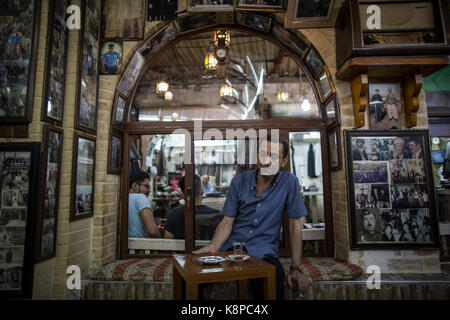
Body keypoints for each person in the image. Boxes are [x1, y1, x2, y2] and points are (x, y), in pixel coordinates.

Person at [193, 136, 310, 300]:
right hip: (233, 249)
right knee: (193, 280)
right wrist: (213, 246)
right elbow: (227, 221)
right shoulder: (239, 182)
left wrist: (295, 267)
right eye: (263, 154)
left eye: (274, 156)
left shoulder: (289, 183)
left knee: (273, 287)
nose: (266, 161)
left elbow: (295, 226)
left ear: (284, 162)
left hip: (265, 252)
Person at [165, 175, 222, 240]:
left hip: (183, 250)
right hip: (209, 250)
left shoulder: (174, 214)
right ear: (202, 191)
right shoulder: (217, 214)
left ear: (182, 194)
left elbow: (167, 241)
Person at [128, 170, 159, 238]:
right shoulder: (140, 197)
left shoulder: (125, 198)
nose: (149, 190)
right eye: (146, 186)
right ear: (135, 185)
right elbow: (153, 231)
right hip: (139, 247)